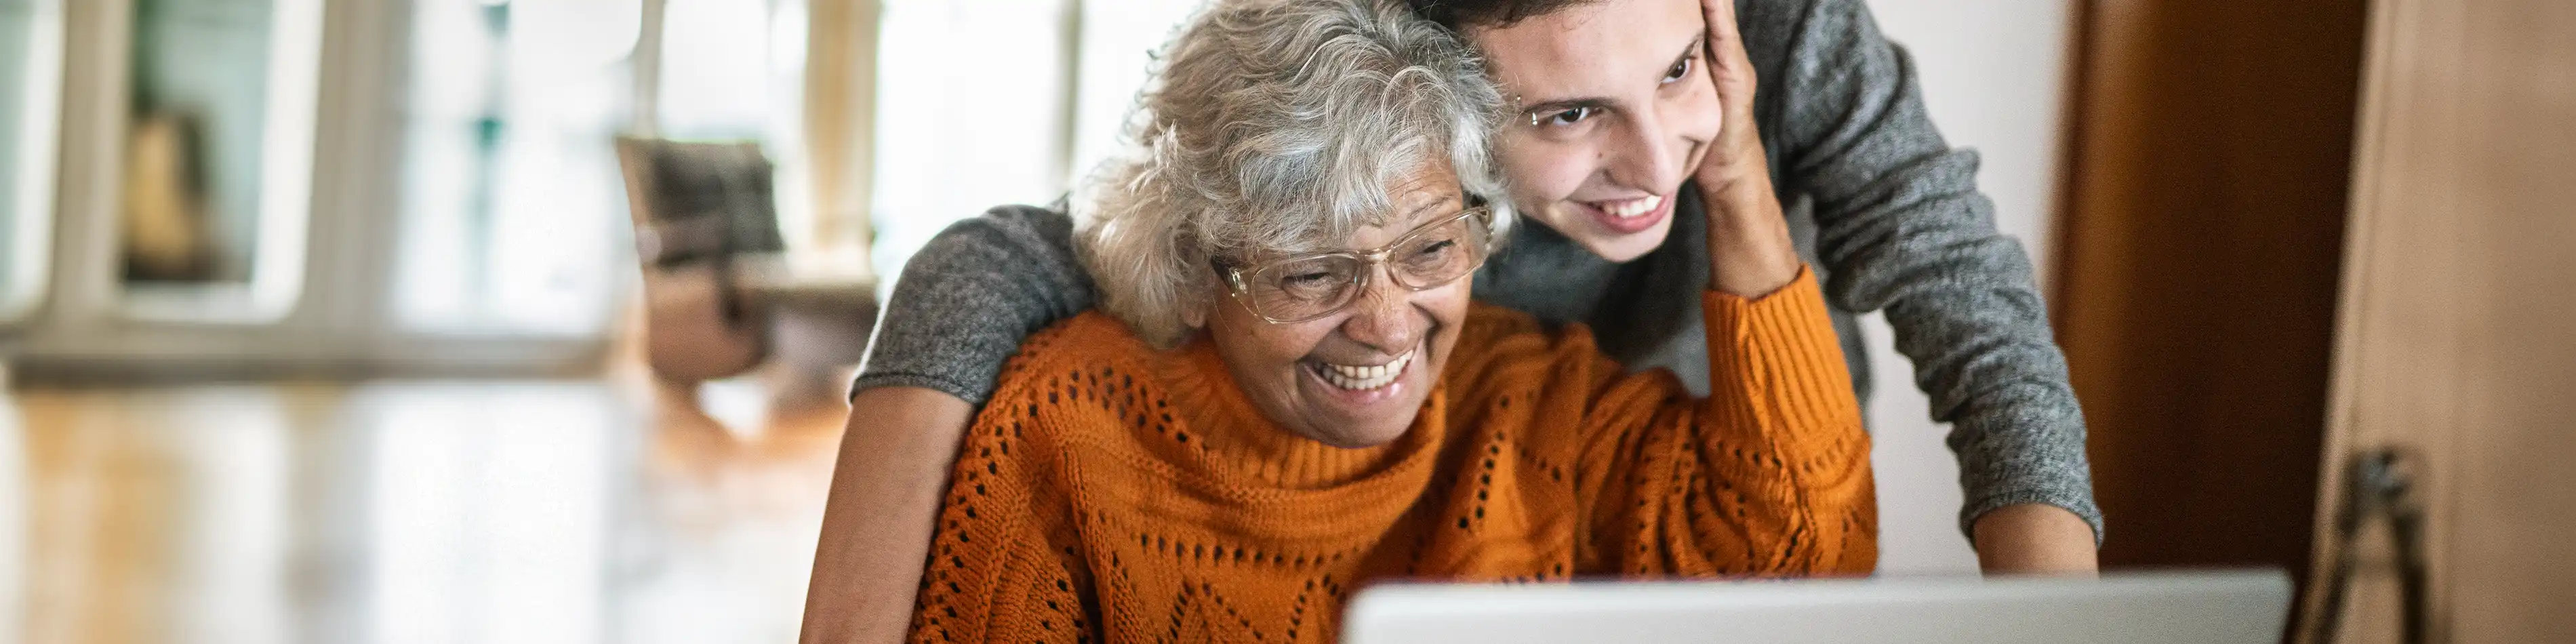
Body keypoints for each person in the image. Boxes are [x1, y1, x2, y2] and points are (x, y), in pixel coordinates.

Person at [804, 0, 2097, 640]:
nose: (1663, 160)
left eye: (1681, 73)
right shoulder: (1358, 76)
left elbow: (1965, 301)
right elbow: (1087, 234)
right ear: (1435, 106)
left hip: (1702, 472)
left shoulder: (1768, 34)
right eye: (1568, 116)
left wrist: (1742, 167)